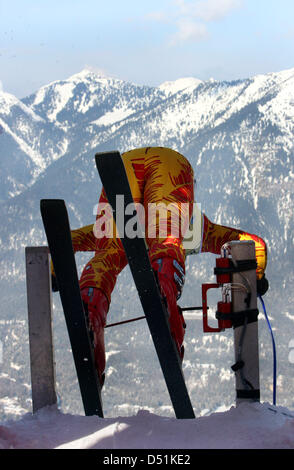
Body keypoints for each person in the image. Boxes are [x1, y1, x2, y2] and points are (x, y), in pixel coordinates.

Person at [52, 146, 268, 387]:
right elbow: (251, 243)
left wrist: (54, 269)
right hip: (170, 167)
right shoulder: (199, 228)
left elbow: (65, 242)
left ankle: (91, 307)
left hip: (124, 167)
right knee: (168, 240)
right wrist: (255, 274)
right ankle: (165, 289)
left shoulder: (193, 229)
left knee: (108, 254)